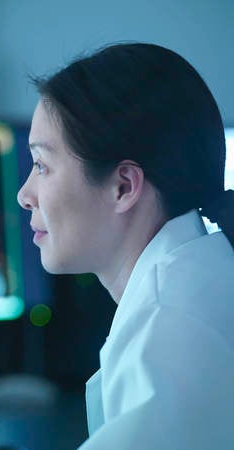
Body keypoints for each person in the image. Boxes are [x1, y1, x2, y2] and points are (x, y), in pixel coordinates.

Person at [17, 42, 234, 449]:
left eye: (41, 165)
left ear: (123, 187)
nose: (24, 194)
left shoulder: (168, 332)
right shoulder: (202, 279)